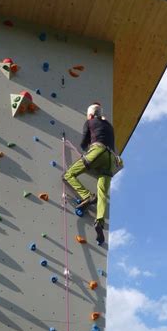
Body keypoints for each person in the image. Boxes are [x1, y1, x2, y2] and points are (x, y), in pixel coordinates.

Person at [63, 102, 116, 245]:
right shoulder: (109, 126)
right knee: (102, 192)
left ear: (91, 115)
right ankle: (99, 220)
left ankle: (87, 196)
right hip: (111, 159)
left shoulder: (90, 121)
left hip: (97, 152)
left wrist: (85, 151)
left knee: (68, 175)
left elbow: (83, 142)